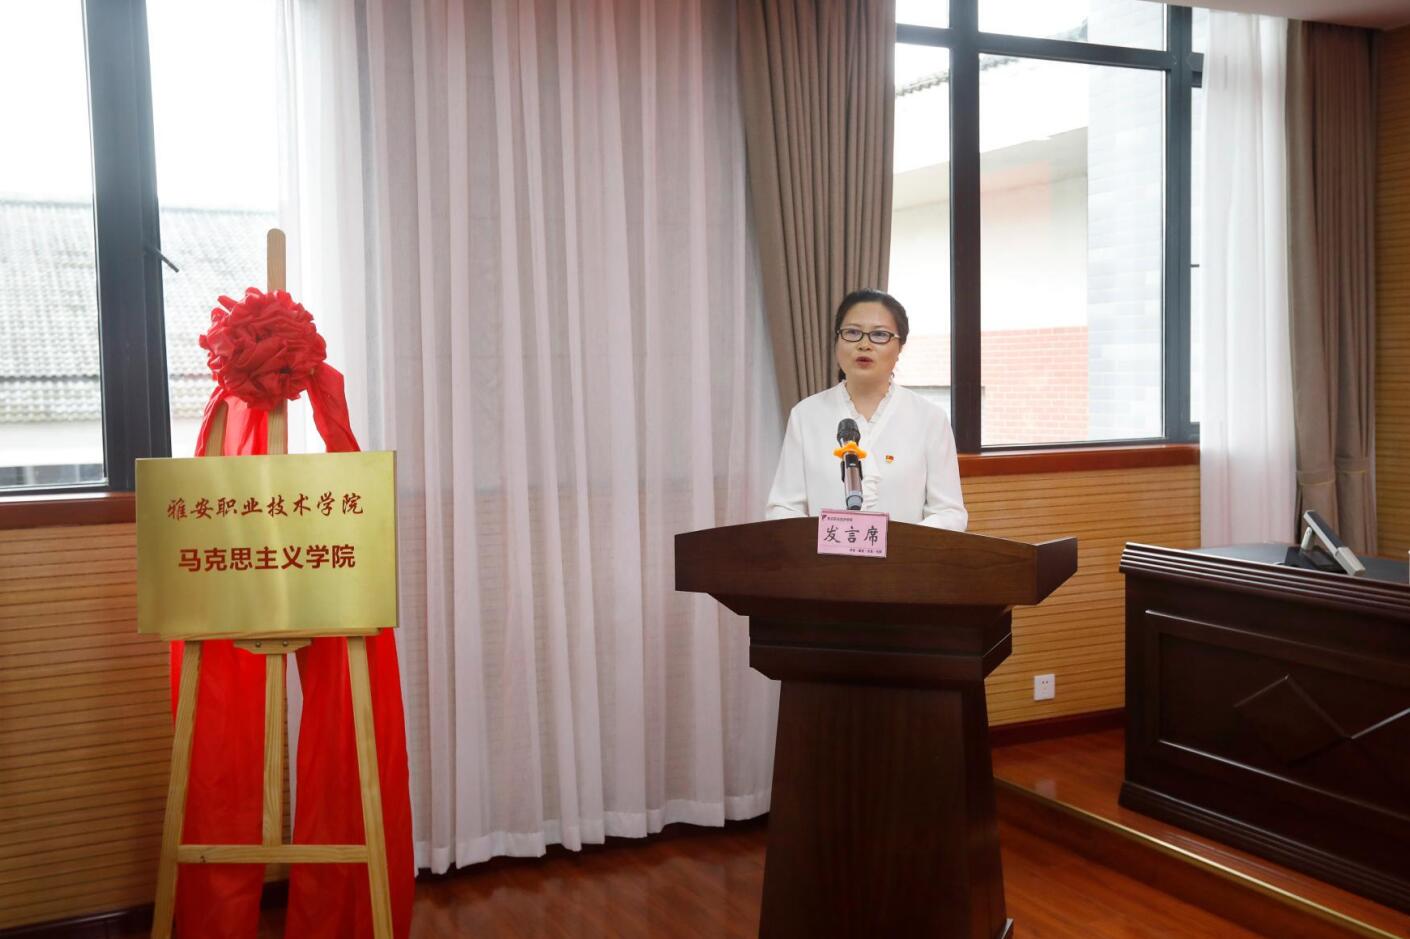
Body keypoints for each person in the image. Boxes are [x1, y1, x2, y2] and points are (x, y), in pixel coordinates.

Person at [765, 288, 967, 530]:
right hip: (824, 554)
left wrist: (905, 544)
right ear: (837, 341)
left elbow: (949, 512)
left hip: (904, 554)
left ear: (900, 347)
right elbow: (783, 508)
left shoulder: (929, 418)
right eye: (852, 332)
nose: (864, 344)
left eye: (879, 335)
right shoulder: (805, 415)